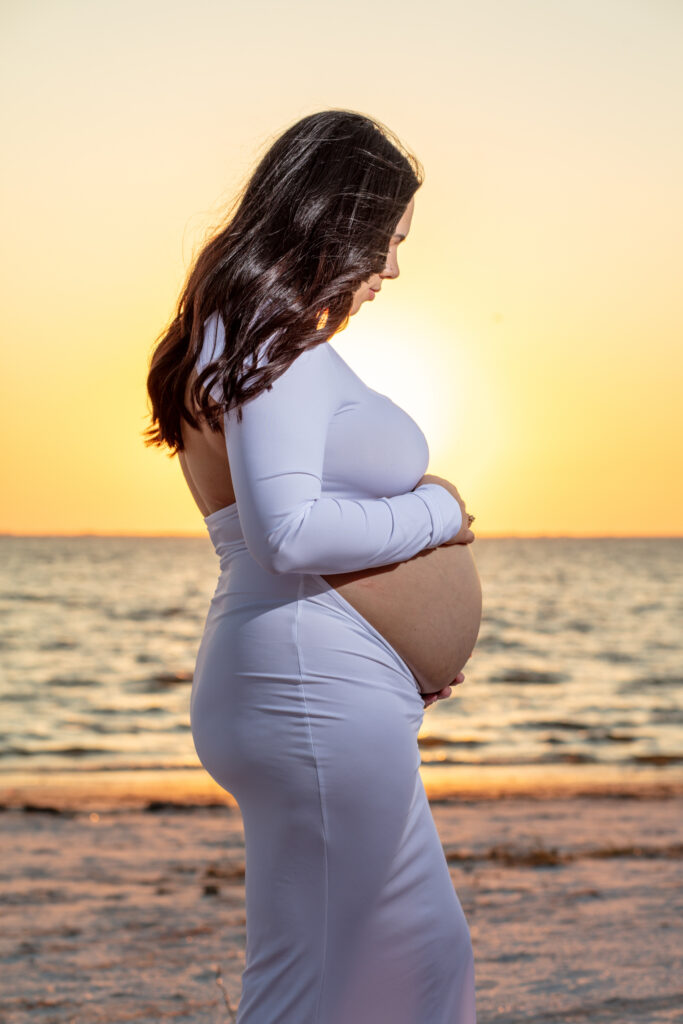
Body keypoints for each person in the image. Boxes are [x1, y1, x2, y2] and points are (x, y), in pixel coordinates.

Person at [144, 109, 477, 1023]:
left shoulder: (240, 332)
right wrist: (438, 513)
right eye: (387, 239)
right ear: (334, 219)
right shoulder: (267, 339)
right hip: (307, 688)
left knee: (405, 960)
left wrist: (400, 655)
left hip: (313, 682)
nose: (393, 268)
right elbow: (285, 534)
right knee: (328, 981)